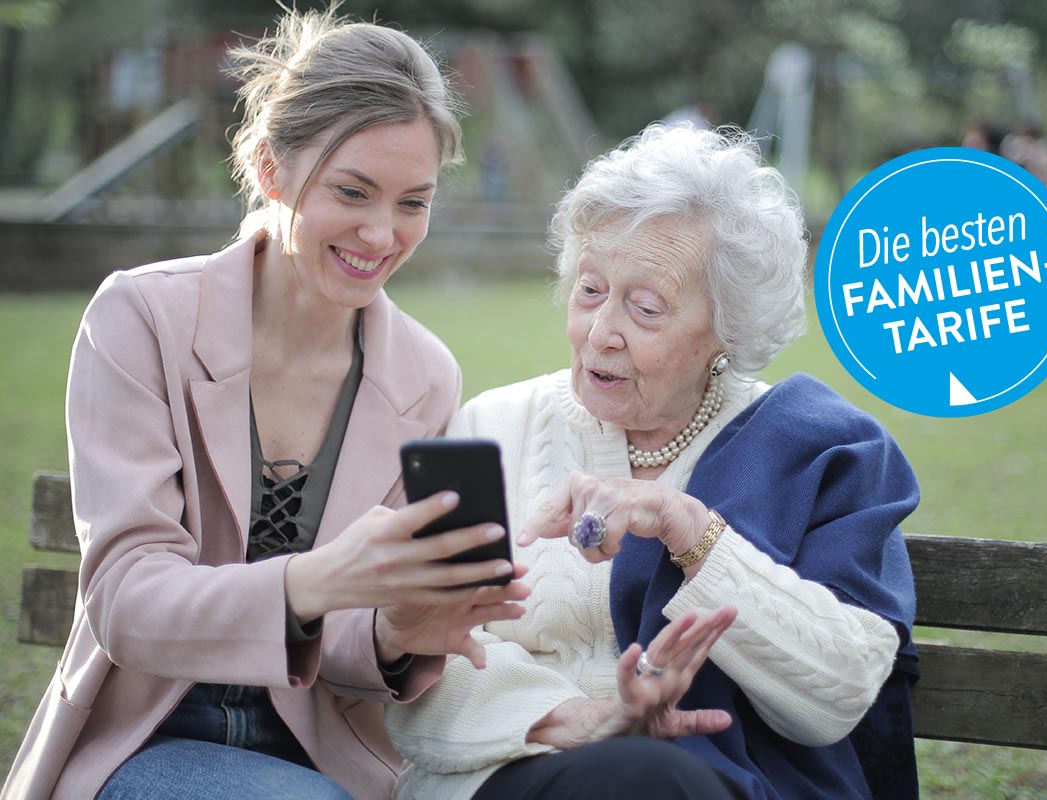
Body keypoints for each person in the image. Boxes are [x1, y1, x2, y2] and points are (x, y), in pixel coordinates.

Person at [2, 6, 530, 800]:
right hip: (145, 738)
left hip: (329, 758)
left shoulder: (424, 373)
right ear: (269, 167)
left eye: (414, 202)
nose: (382, 234)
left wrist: (397, 630)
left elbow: (351, 640)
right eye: (353, 191)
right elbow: (126, 599)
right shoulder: (141, 318)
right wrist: (314, 580)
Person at [385, 124, 921, 800]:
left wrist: (693, 533)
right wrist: (573, 718)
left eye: (645, 308)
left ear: (729, 329)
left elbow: (841, 693)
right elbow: (420, 658)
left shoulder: (822, 450)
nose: (600, 332)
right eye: (589, 290)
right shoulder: (491, 428)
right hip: (506, 777)